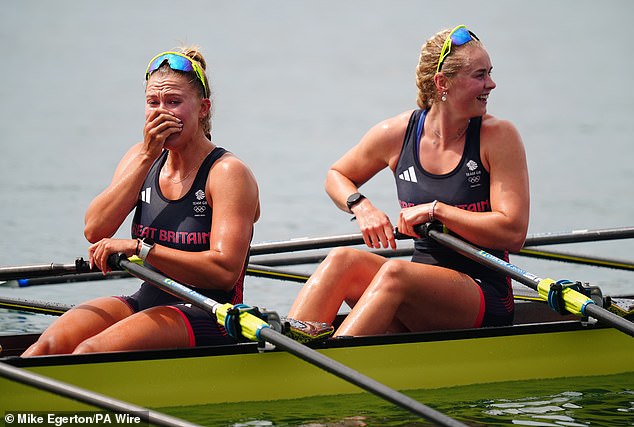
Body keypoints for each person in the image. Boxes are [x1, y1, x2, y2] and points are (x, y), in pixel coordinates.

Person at [287, 25, 529, 337]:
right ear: (442, 83)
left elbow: (513, 232)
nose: (491, 84)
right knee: (342, 260)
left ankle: (327, 367)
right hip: (419, 293)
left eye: (490, 73)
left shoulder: (497, 137)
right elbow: (336, 175)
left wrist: (436, 211)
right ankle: (285, 355)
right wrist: (361, 207)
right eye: (480, 75)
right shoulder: (397, 134)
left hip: (483, 293)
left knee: (395, 272)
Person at [23, 47, 260, 356]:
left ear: (203, 108)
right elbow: (95, 229)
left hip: (210, 311)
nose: (162, 113)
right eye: (153, 103)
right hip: (148, 297)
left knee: (88, 352)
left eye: (174, 103)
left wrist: (139, 248)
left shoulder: (227, 173)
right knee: (47, 347)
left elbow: (224, 271)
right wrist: (148, 156)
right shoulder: (141, 157)